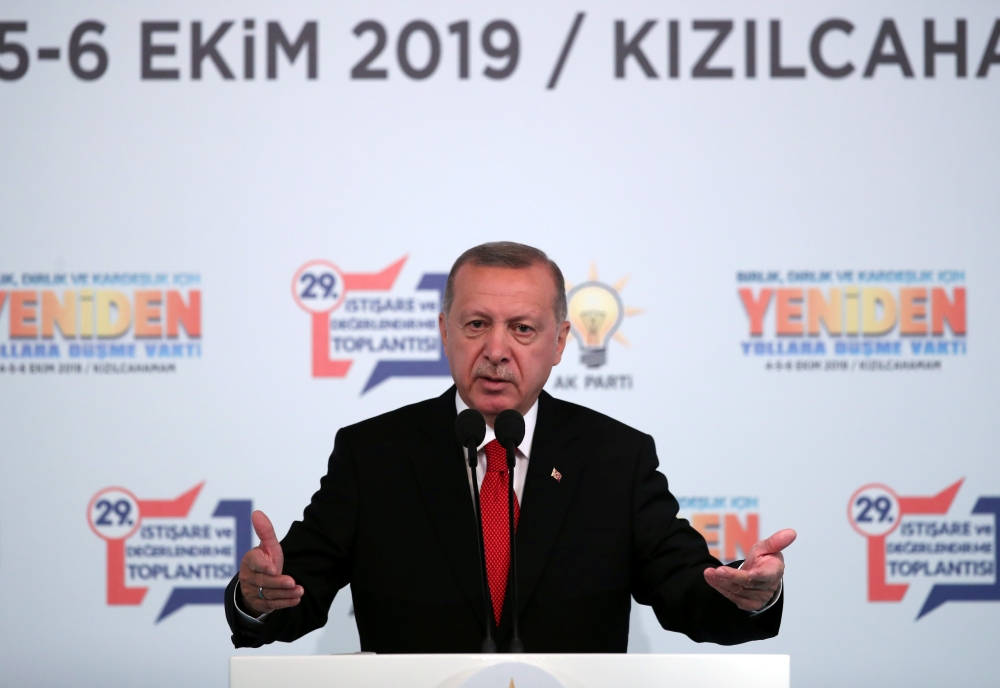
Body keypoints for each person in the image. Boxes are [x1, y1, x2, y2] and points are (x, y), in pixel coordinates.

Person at [225, 242, 795, 652]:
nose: (496, 350)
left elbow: (685, 590)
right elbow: (293, 593)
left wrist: (745, 595)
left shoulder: (615, 457)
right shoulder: (374, 454)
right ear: (445, 329)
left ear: (560, 341)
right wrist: (258, 595)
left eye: (522, 329)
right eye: (476, 324)